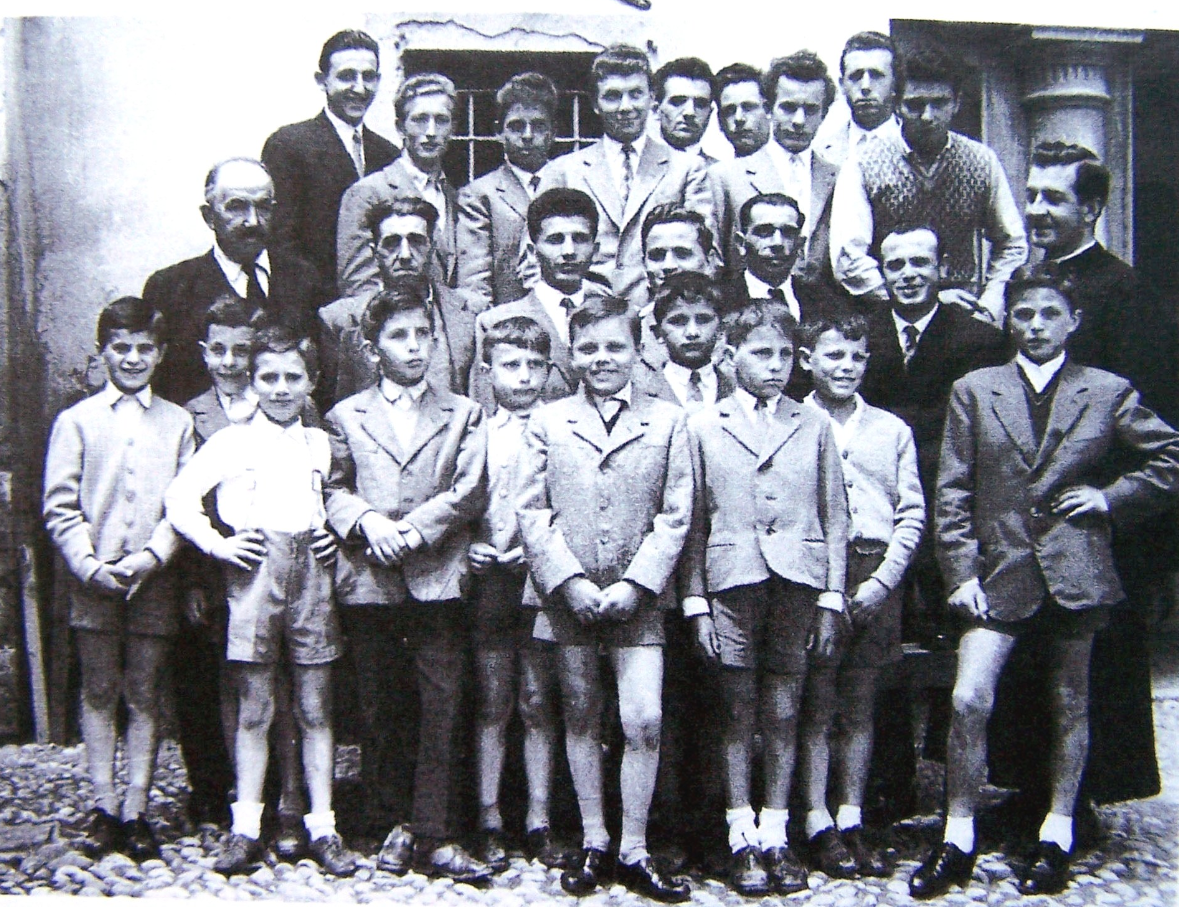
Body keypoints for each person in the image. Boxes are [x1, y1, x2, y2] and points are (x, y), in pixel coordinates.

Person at [911, 275, 1179, 898]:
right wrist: (961, 572)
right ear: (1008, 322)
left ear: (1073, 320)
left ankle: (1056, 834)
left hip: (1075, 572)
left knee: (1069, 703)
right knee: (968, 699)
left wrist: (1110, 497)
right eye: (1024, 314)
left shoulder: (1106, 390)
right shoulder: (975, 389)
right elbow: (952, 490)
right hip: (998, 572)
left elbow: (1170, 457)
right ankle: (957, 836)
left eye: (1050, 314)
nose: (1036, 325)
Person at [984, 142, 1179, 841]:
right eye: (1031, 194)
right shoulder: (1025, 285)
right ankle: (1030, 793)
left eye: (1054, 197)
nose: (1036, 209)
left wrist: (1112, 500)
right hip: (1022, 522)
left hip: (1093, 524)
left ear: (1091, 207)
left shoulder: (1126, 293)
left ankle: (1078, 803)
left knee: (1088, 671)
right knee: (1028, 661)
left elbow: (1152, 421)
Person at [516, 295, 693, 902]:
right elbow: (531, 510)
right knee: (581, 713)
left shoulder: (667, 421)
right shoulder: (549, 420)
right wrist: (569, 582)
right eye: (588, 348)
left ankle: (634, 847)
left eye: (616, 346)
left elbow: (676, 514)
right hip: (568, 597)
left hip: (637, 599)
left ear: (639, 350)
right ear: (572, 354)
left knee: (643, 716)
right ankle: (595, 839)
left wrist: (636, 584)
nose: (602, 358)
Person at [165, 326, 356, 877]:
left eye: (292, 377)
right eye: (268, 377)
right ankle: (245, 828)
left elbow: (336, 502)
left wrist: (333, 536)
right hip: (254, 577)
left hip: (312, 577)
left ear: (311, 382)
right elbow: (179, 498)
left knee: (316, 708)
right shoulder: (232, 441)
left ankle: (324, 827)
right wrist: (220, 544)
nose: (280, 388)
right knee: (255, 708)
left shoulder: (320, 443)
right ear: (251, 382)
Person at [323, 287, 491, 883]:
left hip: (436, 577)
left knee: (441, 704)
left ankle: (434, 831)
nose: (414, 346)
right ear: (372, 350)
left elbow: (468, 489)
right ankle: (393, 823)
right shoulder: (346, 415)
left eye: (423, 334)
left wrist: (414, 531)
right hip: (372, 579)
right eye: (398, 336)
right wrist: (368, 522)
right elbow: (332, 486)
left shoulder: (463, 413)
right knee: (381, 704)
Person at [681, 300, 848, 897]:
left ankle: (776, 830)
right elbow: (692, 522)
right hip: (731, 582)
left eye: (783, 354)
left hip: (798, 583)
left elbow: (835, 515)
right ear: (729, 358)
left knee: (784, 708)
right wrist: (695, 601)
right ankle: (739, 833)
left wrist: (832, 596)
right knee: (736, 711)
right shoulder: (703, 426)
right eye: (760, 353)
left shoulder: (814, 424)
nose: (775, 366)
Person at [43, 297, 195, 860]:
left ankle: (137, 808)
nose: (133, 359)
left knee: (144, 691)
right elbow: (60, 505)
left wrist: (153, 557)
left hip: (153, 578)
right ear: (101, 351)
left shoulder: (177, 422)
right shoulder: (76, 421)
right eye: (121, 348)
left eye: (144, 349)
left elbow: (182, 505)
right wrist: (89, 566)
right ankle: (104, 805)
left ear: (161, 354)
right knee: (100, 687)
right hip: (94, 578)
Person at [177, 298, 312, 856]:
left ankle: (291, 803)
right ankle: (240, 803)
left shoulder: (299, 418)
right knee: (243, 690)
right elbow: (182, 496)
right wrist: (210, 555)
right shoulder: (198, 416)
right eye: (220, 350)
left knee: (293, 692)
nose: (230, 362)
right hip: (226, 569)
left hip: (291, 569)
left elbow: (318, 490)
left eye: (241, 351)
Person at [794, 314, 924, 879]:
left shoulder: (891, 429)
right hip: (812, 574)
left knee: (860, 702)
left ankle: (851, 815)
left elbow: (911, 514)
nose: (845, 367)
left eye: (856, 357)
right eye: (833, 356)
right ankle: (816, 818)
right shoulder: (791, 421)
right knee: (816, 701)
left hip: (875, 575)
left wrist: (882, 582)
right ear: (806, 360)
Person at [468, 316, 571, 872]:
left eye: (535, 365)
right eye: (511, 365)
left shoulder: (563, 429)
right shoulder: (477, 431)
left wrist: (539, 556)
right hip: (491, 582)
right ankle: (488, 817)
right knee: (493, 700)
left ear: (550, 370)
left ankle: (539, 819)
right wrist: (471, 545)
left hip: (542, 582)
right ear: (487, 371)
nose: (524, 376)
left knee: (538, 700)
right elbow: (461, 500)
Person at [829, 46, 1027, 322]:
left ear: (956, 103)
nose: (928, 116)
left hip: (963, 314)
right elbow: (848, 259)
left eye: (939, 103)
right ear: (897, 103)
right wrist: (924, 300)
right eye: (915, 104)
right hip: (889, 315)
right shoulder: (862, 163)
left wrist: (992, 298)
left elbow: (1012, 243)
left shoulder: (981, 160)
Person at [535, 45, 713, 308]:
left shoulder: (687, 169)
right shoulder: (562, 171)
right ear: (595, 104)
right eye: (613, 96)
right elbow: (532, 259)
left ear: (652, 98)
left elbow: (705, 255)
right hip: (584, 315)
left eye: (635, 94)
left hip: (661, 313)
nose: (626, 107)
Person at [143, 158, 328, 405]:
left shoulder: (305, 279)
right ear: (209, 216)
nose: (253, 220)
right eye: (237, 207)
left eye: (263, 207)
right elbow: (162, 389)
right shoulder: (169, 288)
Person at [262, 30, 399, 289]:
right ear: (322, 80)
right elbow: (282, 245)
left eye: (368, 77)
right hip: (314, 303)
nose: (359, 88)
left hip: (378, 303)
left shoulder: (389, 154)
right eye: (347, 76)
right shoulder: (289, 145)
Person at [319, 197, 474, 405]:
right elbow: (334, 405)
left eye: (416, 242)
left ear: (432, 247)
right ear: (375, 252)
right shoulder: (341, 320)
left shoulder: (469, 313)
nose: (405, 255)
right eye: (391, 244)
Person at [710, 52, 839, 291]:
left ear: (824, 113)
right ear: (769, 108)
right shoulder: (726, 176)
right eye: (788, 108)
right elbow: (714, 261)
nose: (799, 120)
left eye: (811, 109)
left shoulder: (837, 177)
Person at [470, 189, 601, 411]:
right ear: (532, 252)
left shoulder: (615, 316)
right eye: (555, 240)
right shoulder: (496, 321)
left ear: (595, 250)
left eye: (580, 239)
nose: (569, 251)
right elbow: (485, 411)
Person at [337, 73, 459, 297]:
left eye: (441, 120)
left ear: (453, 128)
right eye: (420, 119)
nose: (431, 132)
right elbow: (360, 286)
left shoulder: (454, 196)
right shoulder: (367, 193)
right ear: (400, 127)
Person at [723, 192, 847, 398]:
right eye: (764, 232)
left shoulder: (827, 302)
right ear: (741, 243)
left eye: (788, 233)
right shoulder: (721, 301)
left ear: (800, 244)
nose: (778, 243)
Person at [457, 73, 560, 313]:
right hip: (508, 319)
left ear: (553, 131)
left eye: (538, 126)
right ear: (499, 131)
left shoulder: (570, 183)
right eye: (516, 126)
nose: (527, 135)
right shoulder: (480, 195)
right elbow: (475, 282)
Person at [635, 204, 716, 367]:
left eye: (682, 254)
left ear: (710, 261)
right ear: (644, 263)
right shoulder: (630, 331)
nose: (668, 265)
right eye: (657, 256)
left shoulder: (739, 324)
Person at [640, 271, 734, 408]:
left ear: (721, 329)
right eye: (678, 321)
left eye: (703, 320)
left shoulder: (737, 389)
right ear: (658, 333)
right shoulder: (641, 391)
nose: (692, 332)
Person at [815, 32, 901, 167]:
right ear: (842, 85)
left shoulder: (911, 145)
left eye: (876, 75)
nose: (865, 86)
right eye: (856, 76)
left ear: (895, 83)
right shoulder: (820, 152)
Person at [652, 57, 716, 162]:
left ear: (710, 113)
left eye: (700, 104)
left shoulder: (720, 170)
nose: (690, 112)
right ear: (656, 110)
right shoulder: (636, 166)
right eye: (678, 102)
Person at [714, 64, 771, 159]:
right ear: (720, 120)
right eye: (730, 111)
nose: (738, 118)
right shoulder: (717, 168)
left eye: (748, 108)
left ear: (768, 110)